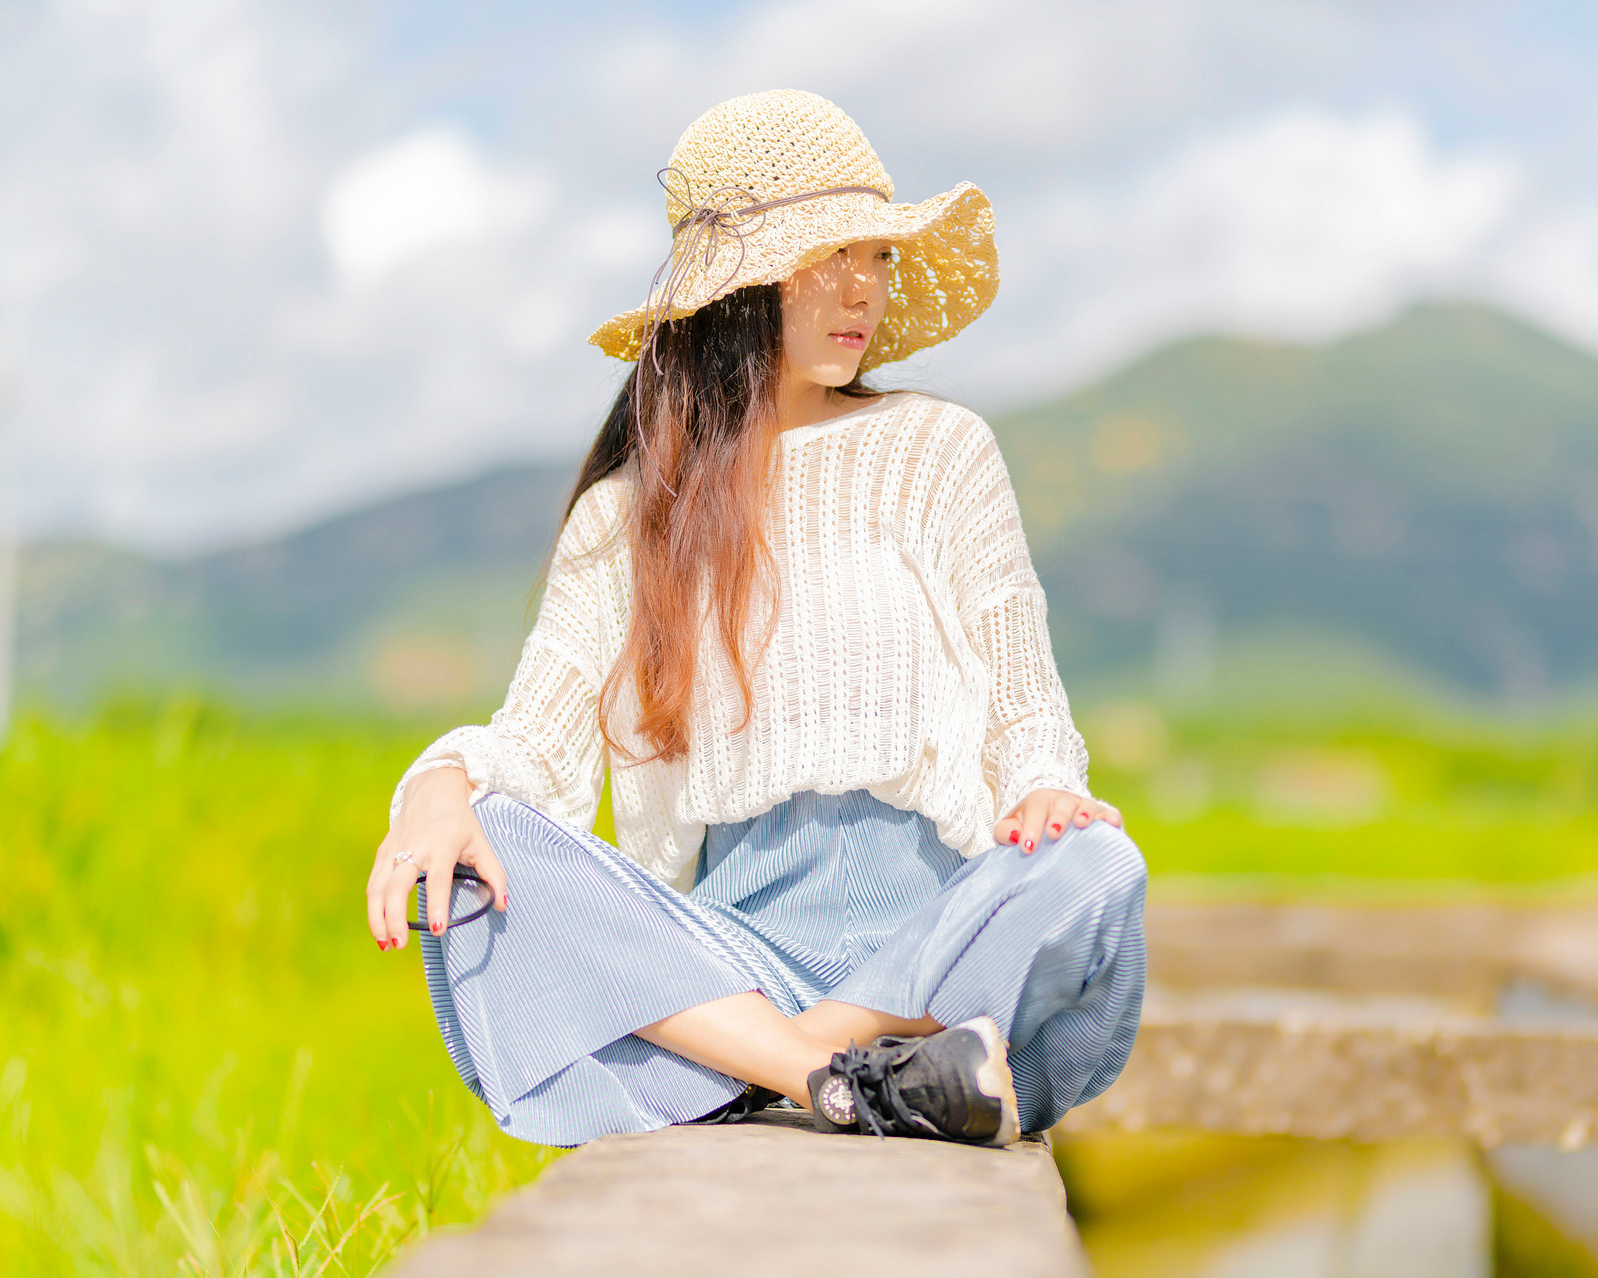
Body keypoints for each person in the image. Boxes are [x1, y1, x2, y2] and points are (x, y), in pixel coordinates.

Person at [364, 89, 1146, 1149]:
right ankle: (845, 1078)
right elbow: (530, 753)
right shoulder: (628, 515)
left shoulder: (942, 452)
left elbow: (1026, 709)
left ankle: (810, 1065)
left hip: (936, 954)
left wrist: (1048, 788)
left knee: (1097, 866)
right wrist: (437, 791)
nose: (860, 288)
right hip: (734, 961)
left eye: (875, 256)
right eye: (825, 258)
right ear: (736, 291)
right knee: (480, 851)